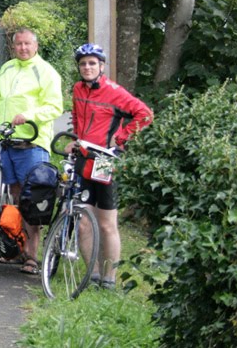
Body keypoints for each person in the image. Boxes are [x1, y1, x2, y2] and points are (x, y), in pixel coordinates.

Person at [70, 42, 153, 290]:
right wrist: (74, 138)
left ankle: (109, 279)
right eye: (83, 64)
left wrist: (121, 139)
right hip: (83, 158)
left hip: (104, 160)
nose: (87, 67)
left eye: (92, 63)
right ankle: (91, 275)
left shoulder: (114, 92)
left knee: (106, 222)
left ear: (101, 66)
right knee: (83, 220)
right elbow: (76, 116)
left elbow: (145, 115)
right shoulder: (77, 89)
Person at [0, 28, 64, 275]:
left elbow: (55, 106)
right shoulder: (7, 68)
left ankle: (33, 257)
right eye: (19, 44)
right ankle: (19, 248)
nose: (23, 48)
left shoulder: (45, 71)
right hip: (7, 143)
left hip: (32, 144)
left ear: (36, 45)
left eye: (27, 44)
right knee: (15, 196)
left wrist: (29, 116)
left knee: (33, 200)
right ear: (13, 46)